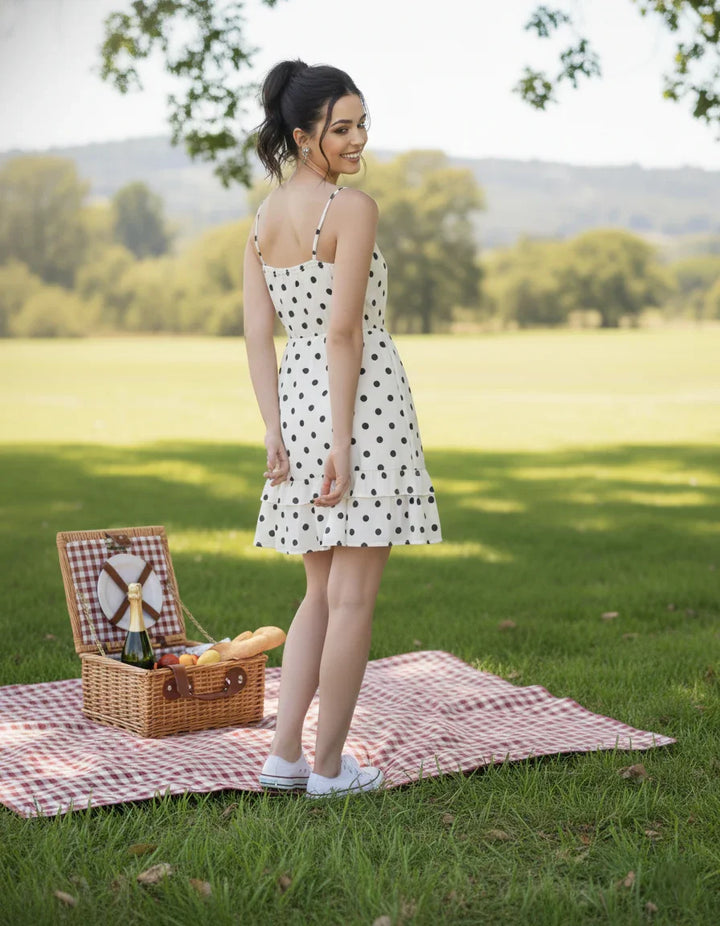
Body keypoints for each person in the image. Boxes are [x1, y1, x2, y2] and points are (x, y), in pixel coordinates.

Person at [243, 59, 442, 798]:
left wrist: (275, 429)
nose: (359, 140)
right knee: (352, 598)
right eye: (343, 128)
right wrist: (340, 439)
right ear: (303, 135)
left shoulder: (262, 221)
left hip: (297, 405)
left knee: (318, 595)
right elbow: (344, 331)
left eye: (363, 124)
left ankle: (285, 757)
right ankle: (329, 771)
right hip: (358, 407)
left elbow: (259, 337)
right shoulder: (350, 211)